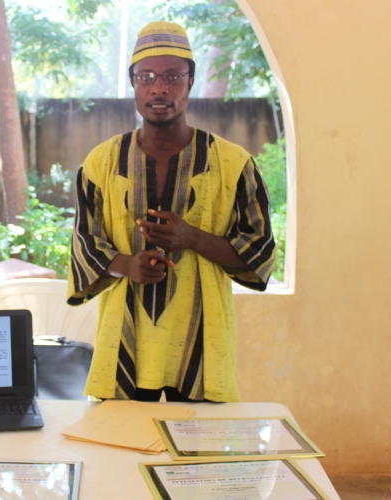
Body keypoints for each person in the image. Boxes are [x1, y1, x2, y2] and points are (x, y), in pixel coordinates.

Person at [67, 21, 276, 403]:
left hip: (202, 342)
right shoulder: (101, 163)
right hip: (125, 343)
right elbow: (85, 245)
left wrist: (190, 237)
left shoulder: (233, 164)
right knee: (122, 439)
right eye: (146, 77)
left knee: (198, 441)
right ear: (133, 83)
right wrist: (127, 265)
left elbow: (260, 252)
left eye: (172, 76)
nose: (159, 88)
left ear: (190, 81)